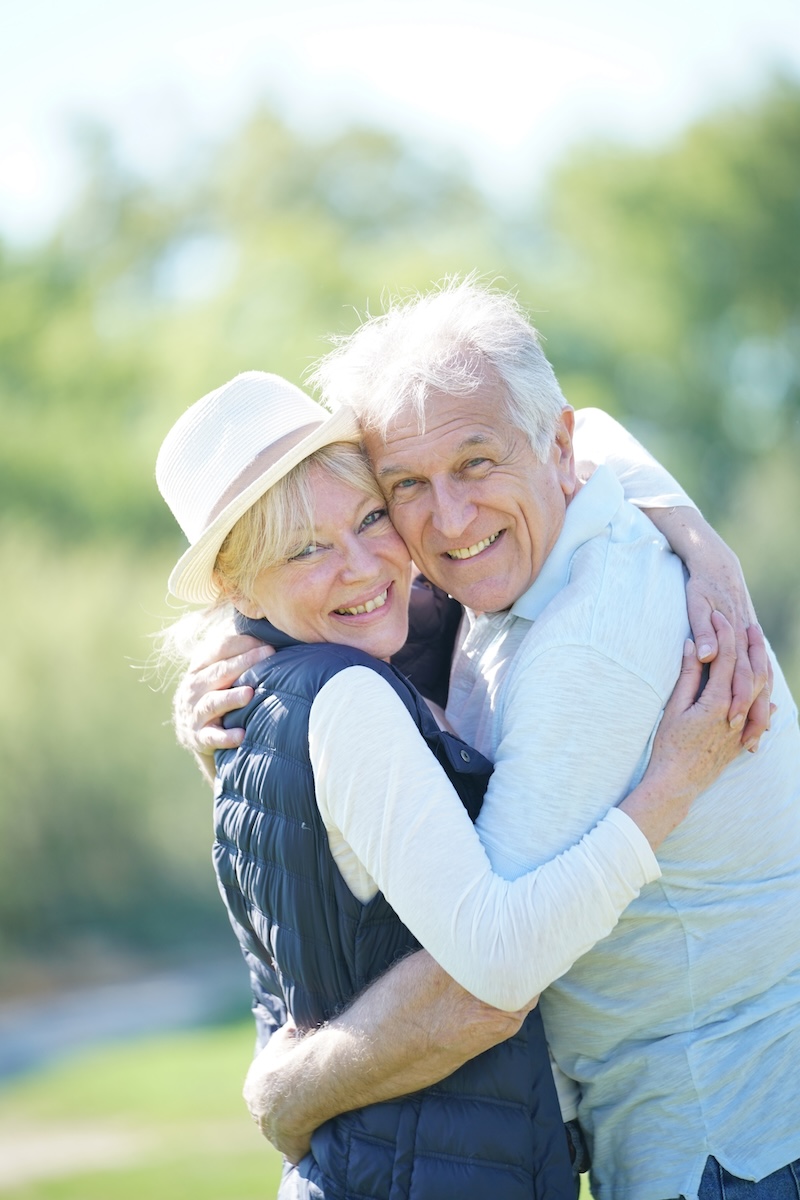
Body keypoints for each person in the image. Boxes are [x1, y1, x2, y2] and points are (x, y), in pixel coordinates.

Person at [178, 282, 798, 1200]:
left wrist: (285, 1090)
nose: (452, 520)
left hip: (728, 1140)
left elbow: (485, 983)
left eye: (476, 463)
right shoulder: (492, 584)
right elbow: (585, 437)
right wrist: (253, 634)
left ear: (559, 449)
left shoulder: (590, 630)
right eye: (406, 490)